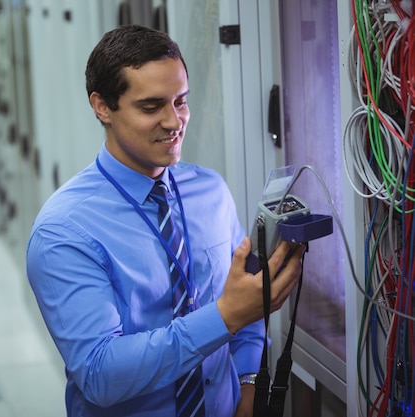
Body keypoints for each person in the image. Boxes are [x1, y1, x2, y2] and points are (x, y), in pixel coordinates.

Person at [26, 24, 304, 417]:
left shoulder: (210, 191)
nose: (175, 122)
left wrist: (247, 385)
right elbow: (100, 374)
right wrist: (224, 316)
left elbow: (245, 302)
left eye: (181, 101)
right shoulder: (64, 230)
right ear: (102, 106)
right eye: (151, 106)